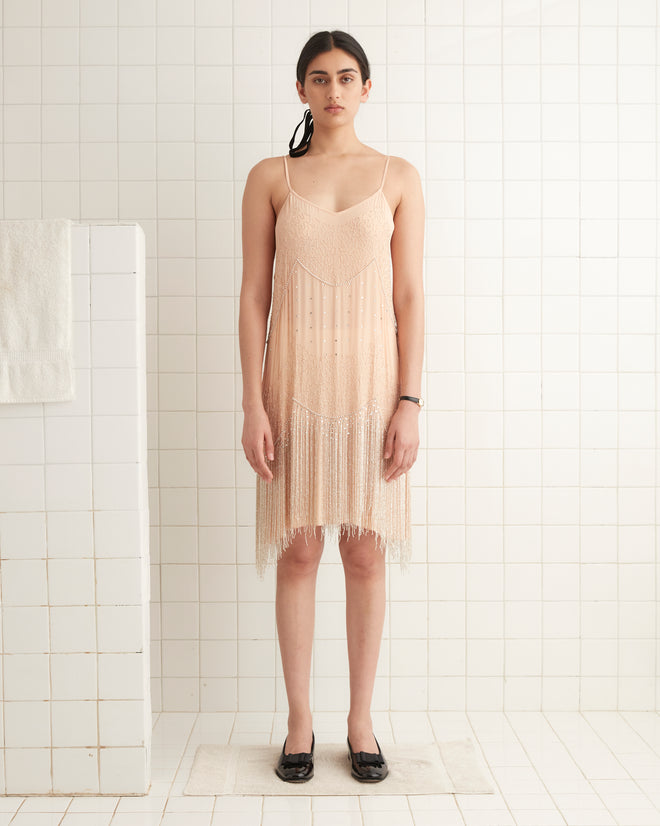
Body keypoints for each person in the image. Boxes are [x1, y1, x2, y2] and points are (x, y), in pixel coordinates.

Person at [238, 30, 425, 783]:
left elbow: (410, 296)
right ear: (302, 90)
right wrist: (251, 402)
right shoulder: (270, 177)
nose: (334, 91)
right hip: (293, 387)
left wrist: (409, 400)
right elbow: (253, 297)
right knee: (299, 548)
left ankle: (361, 720)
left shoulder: (401, 177)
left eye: (347, 78)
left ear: (367, 89)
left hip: (373, 388)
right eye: (319, 78)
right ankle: (299, 720)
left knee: (365, 549)